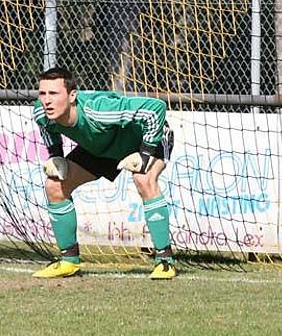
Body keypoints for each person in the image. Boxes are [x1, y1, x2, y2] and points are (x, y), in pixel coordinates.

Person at [31, 66, 175, 280]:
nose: (47, 100)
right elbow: (47, 129)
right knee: (54, 186)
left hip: (144, 138)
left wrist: (144, 154)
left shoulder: (98, 109)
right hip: (101, 148)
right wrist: (56, 156)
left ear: (72, 96)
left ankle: (165, 262)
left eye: (54, 93)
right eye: (42, 93)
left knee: (143, 179)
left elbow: (155, 108)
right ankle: (68, 261)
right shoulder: (42, 113)